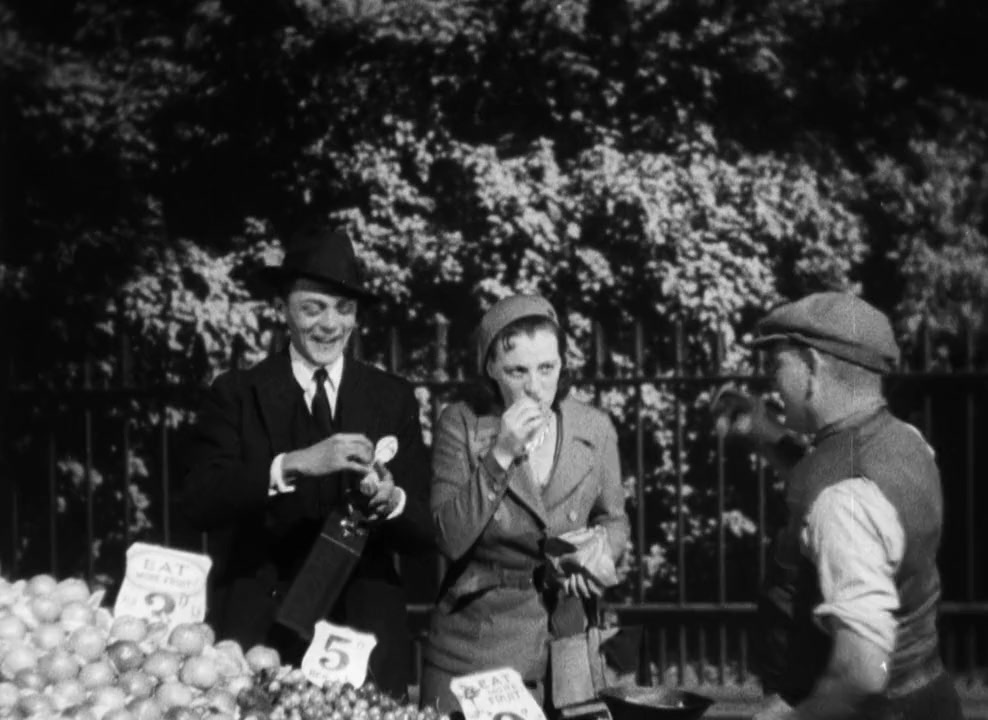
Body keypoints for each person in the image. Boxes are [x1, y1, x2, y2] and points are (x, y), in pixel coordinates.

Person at [180, 226, 433, 699]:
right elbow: (198, 501)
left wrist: (392, 500)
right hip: (262, 633)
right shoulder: (237, 393)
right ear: (283, 309)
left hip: (364, 638)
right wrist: (291, 465)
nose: (330, 324)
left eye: (344, 309)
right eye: (313, 308)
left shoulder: (392, 398)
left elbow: (426, 530)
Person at [712, 292, 963, 720]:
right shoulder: (906, 442)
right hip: (929, 693)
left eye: (777, 366)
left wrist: (794, 717)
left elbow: (862, 671)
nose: (772, 381)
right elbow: (838, 478)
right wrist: (765, 431)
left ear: (812, 367)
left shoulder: (841, 501)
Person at [419, 295, 630, 712]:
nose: (535, 386)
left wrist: (599, 552)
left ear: (562, 365)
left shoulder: (594, 427)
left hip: (567, 649)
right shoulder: (461, 424)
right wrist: (501, 453)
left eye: (547, 368)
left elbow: (614, 519)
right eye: (518, 371)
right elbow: (449, 538)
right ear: (491, 368)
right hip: (478, 649)